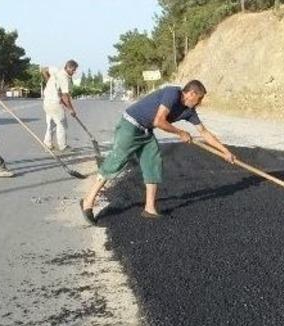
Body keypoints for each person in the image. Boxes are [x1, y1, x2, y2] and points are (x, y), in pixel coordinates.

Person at [80, 80, 234, 224]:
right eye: (199, 99)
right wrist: (180, 133)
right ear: (191, 93)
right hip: (130, 125)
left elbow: (204, 132)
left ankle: (149, 208)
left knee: (153, 163)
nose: (199, 103)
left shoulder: (189, 111)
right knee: (116, 162)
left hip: (145, 132)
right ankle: (88, 201)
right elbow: (159, 121)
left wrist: (225, 152)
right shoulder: (172, 93)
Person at [41, 60, 78, 151]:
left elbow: (44, 69)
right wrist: (71, 110)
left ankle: (47, 143)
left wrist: (49, 81)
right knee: (62, 125)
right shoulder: (64, 78)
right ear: (68, 67)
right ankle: (63, 146)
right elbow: (65, 97)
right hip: (55, 103)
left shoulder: (56, 70)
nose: (74, 72)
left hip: (47, 102)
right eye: (73, 70)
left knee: (51, 124)